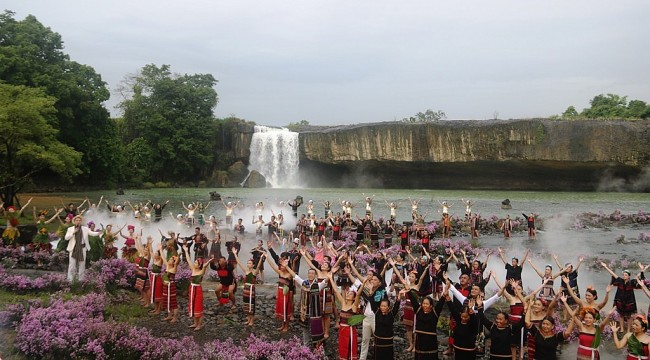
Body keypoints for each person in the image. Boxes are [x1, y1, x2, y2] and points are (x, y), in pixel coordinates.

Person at [524, 295, 576, 360]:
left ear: (552, 326)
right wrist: (529, 306)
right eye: (544, 324)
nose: (545, 326)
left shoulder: (555, 336)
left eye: (548, 324)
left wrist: (573, 318)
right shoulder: (537, 333)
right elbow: (527, 322)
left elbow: (567, 333)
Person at [601, 261, 647, 333]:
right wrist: (605, 266)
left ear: (629, 276)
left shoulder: (631, 282)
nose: (624, 276)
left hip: (629, 302)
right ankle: (622, 328)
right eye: (623, 275)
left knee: (629, 316)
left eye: (625, 275)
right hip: (620, 301)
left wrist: (642, 270)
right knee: (621, 315)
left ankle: (629, 329)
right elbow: (612, 274)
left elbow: (638, 276)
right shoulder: (620, 281)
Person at [327, 271, 362, 360]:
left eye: (350, 294)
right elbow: (335, 291)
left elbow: (358, 294)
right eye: (348, 293)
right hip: (342, 330)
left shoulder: (354, 306)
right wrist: (331, 279)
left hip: (350, 330)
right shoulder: (343, 303)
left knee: (350, 349)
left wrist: (364, 283)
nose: (348, 294)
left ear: (353, 298)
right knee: (342, 349)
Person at [408, 284, 446, 359]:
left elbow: (440, 304)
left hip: (430, 341)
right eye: (423, 303)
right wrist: (408, 291)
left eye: (427, 304)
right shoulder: (418, 311)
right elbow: (413, 300)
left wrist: (445, 294)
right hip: (420, 341)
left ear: (431, 305)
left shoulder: (434, 313)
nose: (425, 305)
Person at [182, 244, 212, 331]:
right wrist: (186, 251)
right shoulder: (193, 269)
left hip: (198, 289)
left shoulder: (201, 271)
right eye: (194, 262)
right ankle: (195, 323)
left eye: (196, 262)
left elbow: (205, 266)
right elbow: (188, 260)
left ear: (199, 265)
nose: (194, 263)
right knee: (193, 305)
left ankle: (199, 324)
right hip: (191, 288)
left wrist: (207, 262)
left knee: (198, 306)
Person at [233, 247, 264, 327]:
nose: (248, 264)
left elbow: (259, 266)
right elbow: (239, 263)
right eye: (247, 263)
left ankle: (252, 320)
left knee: (251, 304)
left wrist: (261, 258)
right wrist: (235, 254)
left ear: (253, 265)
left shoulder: (255, 272)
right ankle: (248, 318)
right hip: (246, 289)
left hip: (251, 289)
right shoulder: (246, 270)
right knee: (246, 303)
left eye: (250, 263)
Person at [64, 215, 101, 281]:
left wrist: (100, 233)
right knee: (72, 264)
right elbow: (66, 238)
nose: (78, 222)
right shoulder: (70, 229)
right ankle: (70, 279)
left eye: (79, 220)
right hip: (73, 248)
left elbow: (92, 233)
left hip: (82, 248)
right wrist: (73, 232)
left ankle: (81, 279)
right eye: (77, 220)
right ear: (74, 221)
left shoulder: (85, 229)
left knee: (82, 264)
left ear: (81, 221)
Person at [265, 253, 294, 332]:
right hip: (280, 292)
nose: (281, 267)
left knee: (286, 308)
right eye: (280, 266)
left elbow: (293, 274)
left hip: (286, 293)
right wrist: (267, 257)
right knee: (281, 308)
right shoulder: (280, 273)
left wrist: (287, 265)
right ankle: (282, 325)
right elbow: (272, 266)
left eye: (282, 266)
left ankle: (286, 326)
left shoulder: (289, 275)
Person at [162, 255, 180, 323]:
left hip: (171, 286)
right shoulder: (167, 266)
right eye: (169, 259)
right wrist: (160, 249)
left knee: (173, 302)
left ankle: (175, 317)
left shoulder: (173, 268)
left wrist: (178, 256)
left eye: (171, 260)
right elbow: (163, 258)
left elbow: (176, 262)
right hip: (165, 287)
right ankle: (169, 315)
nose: (169, 260)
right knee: (166, 300)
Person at [148, 244, 164, 315]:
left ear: (159, 255)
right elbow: (151, 251)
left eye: (156, 254)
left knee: (158, 293)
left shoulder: (160, 261)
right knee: (153, 293)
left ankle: (158, 309)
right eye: (155, 254)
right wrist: (150, 243)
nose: (154, 255)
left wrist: (160, 249)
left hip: (157, 279)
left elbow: (163, 257)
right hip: (153, 277)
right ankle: (155, 308)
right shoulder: (154, 260)